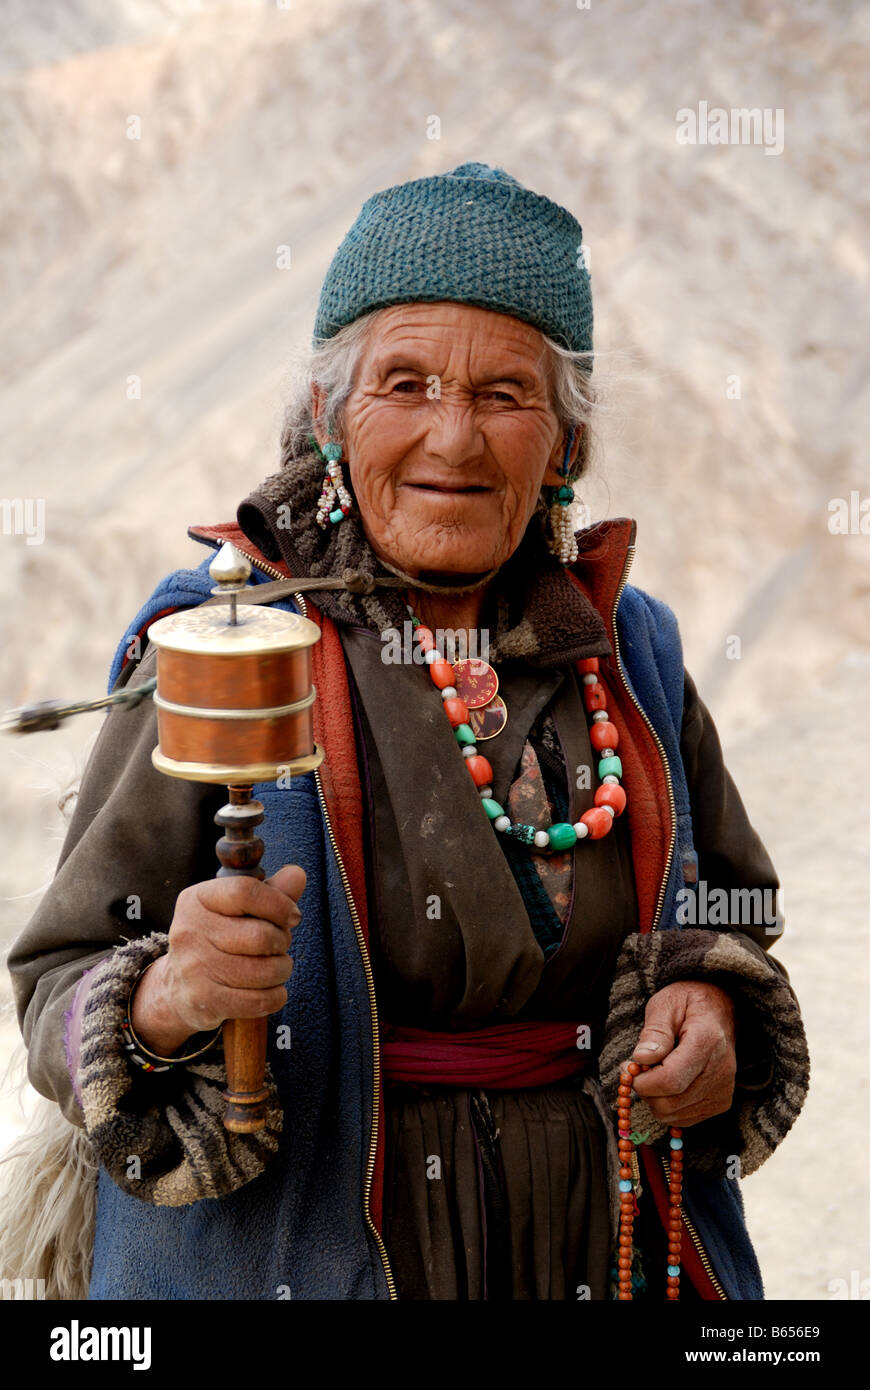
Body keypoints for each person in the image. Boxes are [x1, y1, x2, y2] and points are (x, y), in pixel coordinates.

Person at [8, 162, 809, 1301]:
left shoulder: (634, 652)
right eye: (405, 382)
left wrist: (713, 1001)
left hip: (600, 1251)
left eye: (504, 395)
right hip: (317, 1257)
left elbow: (733, 907)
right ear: (332, 417)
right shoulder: (229, 642)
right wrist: (172, 992)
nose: (455, 438)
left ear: (566, 447)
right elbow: (58, 974)